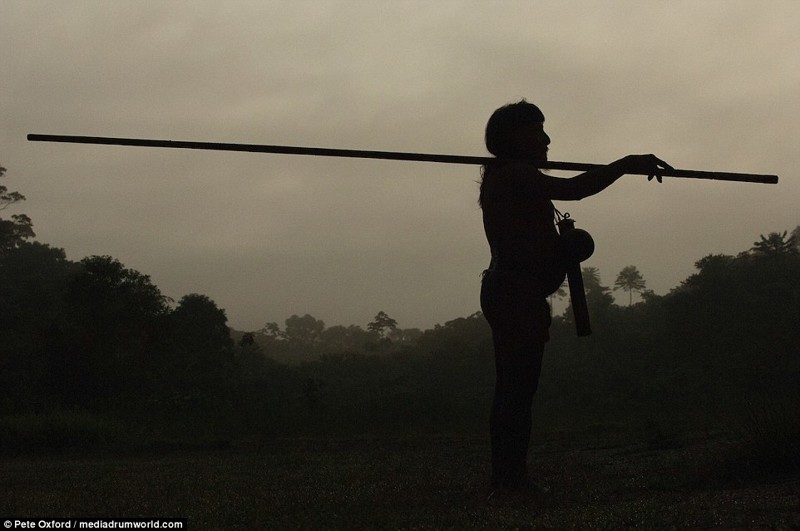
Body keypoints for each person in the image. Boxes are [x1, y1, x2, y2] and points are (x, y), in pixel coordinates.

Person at [479, 100, 671, 492]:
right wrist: (626, 163)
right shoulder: (516, 174)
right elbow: (574, 189)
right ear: (515, 137)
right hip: (515, 297)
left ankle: (507, 478)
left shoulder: (514, 176)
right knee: (517, 392)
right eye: (537, 130)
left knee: (513, 390)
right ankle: (510, 482)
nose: (547, 140)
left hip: (513, 294)